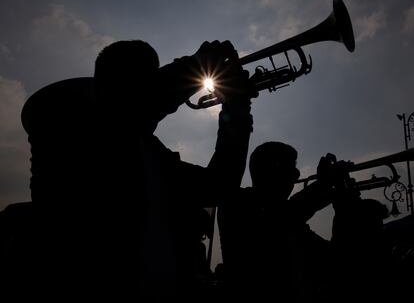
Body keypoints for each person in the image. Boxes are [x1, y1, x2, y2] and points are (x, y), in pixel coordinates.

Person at [18, 39, 257, 299]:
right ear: (111, 84)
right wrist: (198, 64)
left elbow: (220, 186)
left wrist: (237, 108)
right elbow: (136, 102)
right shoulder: (60, 116)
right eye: (142, 79)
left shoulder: (153, 155)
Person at [217, 142, 335, 301]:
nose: (297, 175)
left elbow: (332, 256)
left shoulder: (293, 223)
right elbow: (280, 217)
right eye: (292, 168)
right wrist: (323, 184)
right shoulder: (236, 204)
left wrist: (344, 201)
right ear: (274, 167)